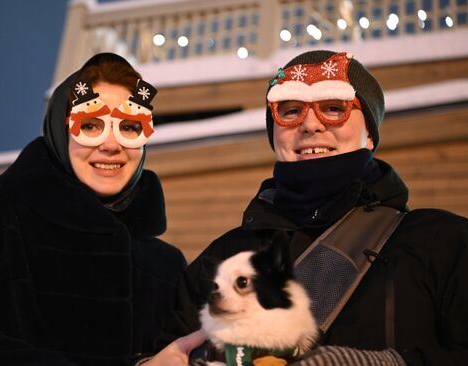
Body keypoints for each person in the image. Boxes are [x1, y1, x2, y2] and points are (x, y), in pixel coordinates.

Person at [145, 50, 468, 366]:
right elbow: (170, 348)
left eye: (332, 108)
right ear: (275, 135)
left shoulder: (442, 242)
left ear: (370, 134)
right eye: (290, 111)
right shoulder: (224, 257)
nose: (310, 125)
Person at [0, 53, 186, 366]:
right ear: (60, 131)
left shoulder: (166, 267)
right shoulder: (1, 216)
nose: (111, 145)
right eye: (90, 125)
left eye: (129, 127)